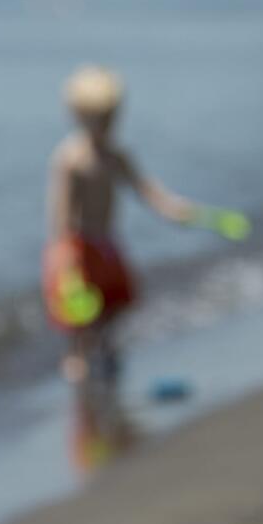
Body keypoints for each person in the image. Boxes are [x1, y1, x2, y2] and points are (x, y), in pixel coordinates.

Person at [43, 66, 199, 385]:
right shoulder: (70, 159)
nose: (108, 125)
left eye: (112, 117)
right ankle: (77, 357)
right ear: (79, 116)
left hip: (107, 243)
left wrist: (171, 209)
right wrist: (63, 254)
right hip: (77, 245)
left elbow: (145, 188)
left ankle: (106, 347)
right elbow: (59, 212)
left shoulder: (117, 155)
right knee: (79, 310)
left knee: (116, 302)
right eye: (100, 118)